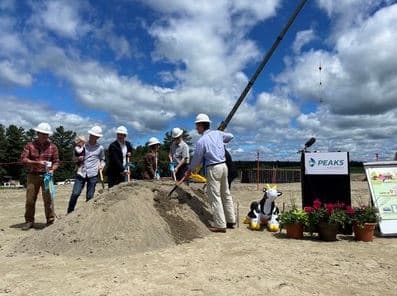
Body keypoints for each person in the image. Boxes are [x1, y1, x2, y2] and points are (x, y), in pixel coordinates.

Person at [185, 113, 236, 233]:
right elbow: (230, 136)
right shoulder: (218, 134)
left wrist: (189, 170)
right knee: (225, 193)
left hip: (213, 168)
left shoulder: (201, 141)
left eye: (197, 126)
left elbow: (197, 160)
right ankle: (231, 220)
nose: (196, 128)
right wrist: (220, 136)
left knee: (215, 196)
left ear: (202, 125)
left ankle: (220, 225)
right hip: (224, 166)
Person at [20, 122, 59, 230]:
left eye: (46, 134)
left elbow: (56, 162)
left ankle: (50, 221)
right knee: (30, 199)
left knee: (49, 199)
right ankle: (29, 221)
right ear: (38, 133)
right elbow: (23, 159)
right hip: (33, 175)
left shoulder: (53, 147)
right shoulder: (30, 145)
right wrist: (36, 163)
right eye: (42, 134)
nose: (44, 136)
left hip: (47, 176)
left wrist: (52, 170)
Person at [67, 126, 105, 213]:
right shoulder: (82, 145)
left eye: (95, 136)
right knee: (75, 193)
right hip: (81, 172)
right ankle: (69, 212)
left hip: (93, 174)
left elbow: (102, 159)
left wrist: (101, 166)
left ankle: (86, 216)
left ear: (98, 137)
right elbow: (73, 158)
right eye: (91, 135)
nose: (92, 137)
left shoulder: (100, 148)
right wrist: (77, 159)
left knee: (90, 196)